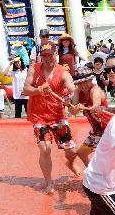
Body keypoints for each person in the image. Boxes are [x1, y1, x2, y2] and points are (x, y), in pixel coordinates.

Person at [23, 42, 80, 194]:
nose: (47, 58)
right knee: (45, 148)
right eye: (44, 55)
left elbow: (71, 88)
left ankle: (71, 163)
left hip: (57, 116)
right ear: (41, 56)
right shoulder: (34, 69)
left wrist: (69, 97)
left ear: (56, 54)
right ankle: (49, 182)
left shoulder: (63, 71)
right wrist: (39, 90)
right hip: (39, 116)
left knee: (71, 151)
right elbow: (26, 89)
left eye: (50, 55)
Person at [70, 65, 108, 167]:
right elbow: (72, 111)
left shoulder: (95, 90)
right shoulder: (78, 91)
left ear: (91, 80)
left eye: (85, 81)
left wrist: (84, 107)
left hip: (108, 129)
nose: (83, 85)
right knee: (82, 153)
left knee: (105, 158)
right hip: (97, 130)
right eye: (80, 83)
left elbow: (96, 104)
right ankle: (92, 174)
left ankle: (98, 176)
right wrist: (75, 107)